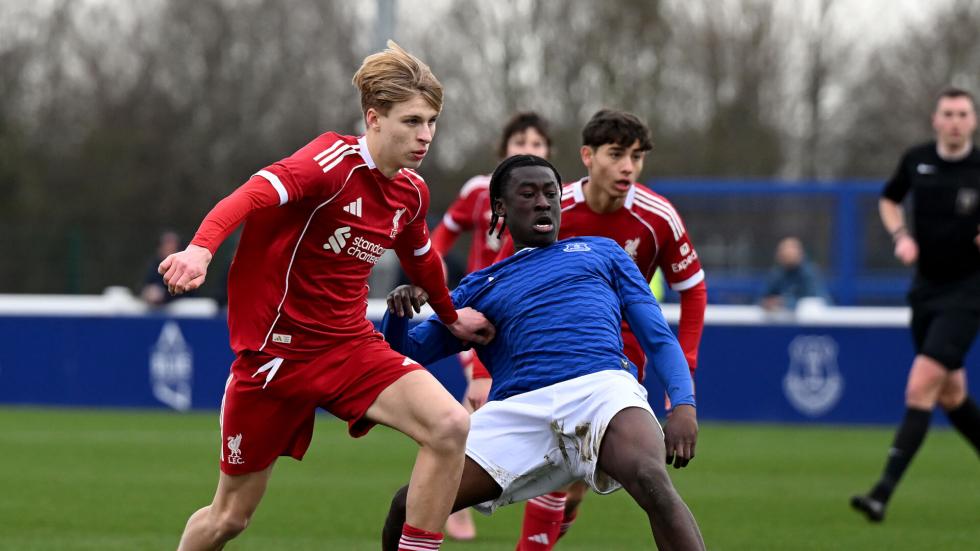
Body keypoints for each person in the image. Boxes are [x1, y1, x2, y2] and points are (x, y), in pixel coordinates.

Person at [159, 41, 495, 551]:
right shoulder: (327, 163)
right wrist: (201, 250)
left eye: (431, 122)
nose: (425, 135)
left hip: (349, 348)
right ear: (374, 118)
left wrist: (451, 318)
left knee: (450, 425)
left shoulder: (411, 191)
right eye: (411, 121)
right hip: (278, 357)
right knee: (229, 517)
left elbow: (422, 258)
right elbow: (248, 195)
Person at [379, 155, 706, 551]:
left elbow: (658, 339)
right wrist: (397, 314)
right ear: (499, 206)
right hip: (518, 410)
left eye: (551, 193)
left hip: (601, 390)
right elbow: (403, 358)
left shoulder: (603, 252)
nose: (543, 202)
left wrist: (683, 405)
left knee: (651, 479)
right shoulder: (480, 285)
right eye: (528, 193)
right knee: (406, 505)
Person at [494, 109, 707, 549]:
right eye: (616, 154)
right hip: (553, 350)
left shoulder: (657, 217)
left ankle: (559, 512)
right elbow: (505, 279)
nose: (628, 167)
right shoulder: (554, 205)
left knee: (576, 476)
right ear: (587, 156)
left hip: (621, 357)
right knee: (563, 462)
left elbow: (694, 291)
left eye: (637, 157)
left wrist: (681, 382)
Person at [851, 87, 980, 522]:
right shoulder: (917, 159)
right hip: (925, 290)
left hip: (970, 292)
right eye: (949, 113)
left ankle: (881, 493)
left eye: (964, 113)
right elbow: (889, 199)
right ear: (936, 119)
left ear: (974, 121)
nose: (957, 121)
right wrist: (900, 236)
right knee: (951, 393)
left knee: (921, 384)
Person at [430, 111, 552, 540]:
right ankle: (447, 496)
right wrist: (431, 271)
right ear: (503, 151)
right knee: (477, 398)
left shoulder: (551, 199)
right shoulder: (479, 192)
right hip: (480, 311)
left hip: (524, 317)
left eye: (537, 144)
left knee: (503, 404)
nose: (529, 150)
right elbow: (442, 234)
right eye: (520, 142)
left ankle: (453, 487)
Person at [759, 236, 830, 312]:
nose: (787, 257)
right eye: (784, 255)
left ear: (800, 254)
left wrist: (784, 303)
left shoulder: (808, 274)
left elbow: (818, 301)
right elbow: (761, 299)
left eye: (791, 254)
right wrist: (768, 303)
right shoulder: (777, 274)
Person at [139, 231, 186, 305]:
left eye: (172, 249)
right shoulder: (154, 266)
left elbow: (188, 293)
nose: (168, 250)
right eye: (166, 247)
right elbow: (145, 287)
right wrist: (147, 293)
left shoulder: (185, 267)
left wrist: (164, 296)